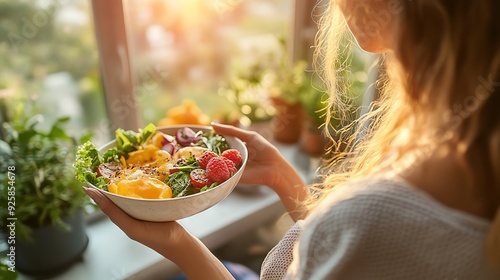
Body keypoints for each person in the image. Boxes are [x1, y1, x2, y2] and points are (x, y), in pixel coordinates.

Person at [84, 0, 500, 279]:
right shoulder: (463, 135)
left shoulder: (366, 221)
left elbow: (353, 236)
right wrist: (288, 183)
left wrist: (176, 244)